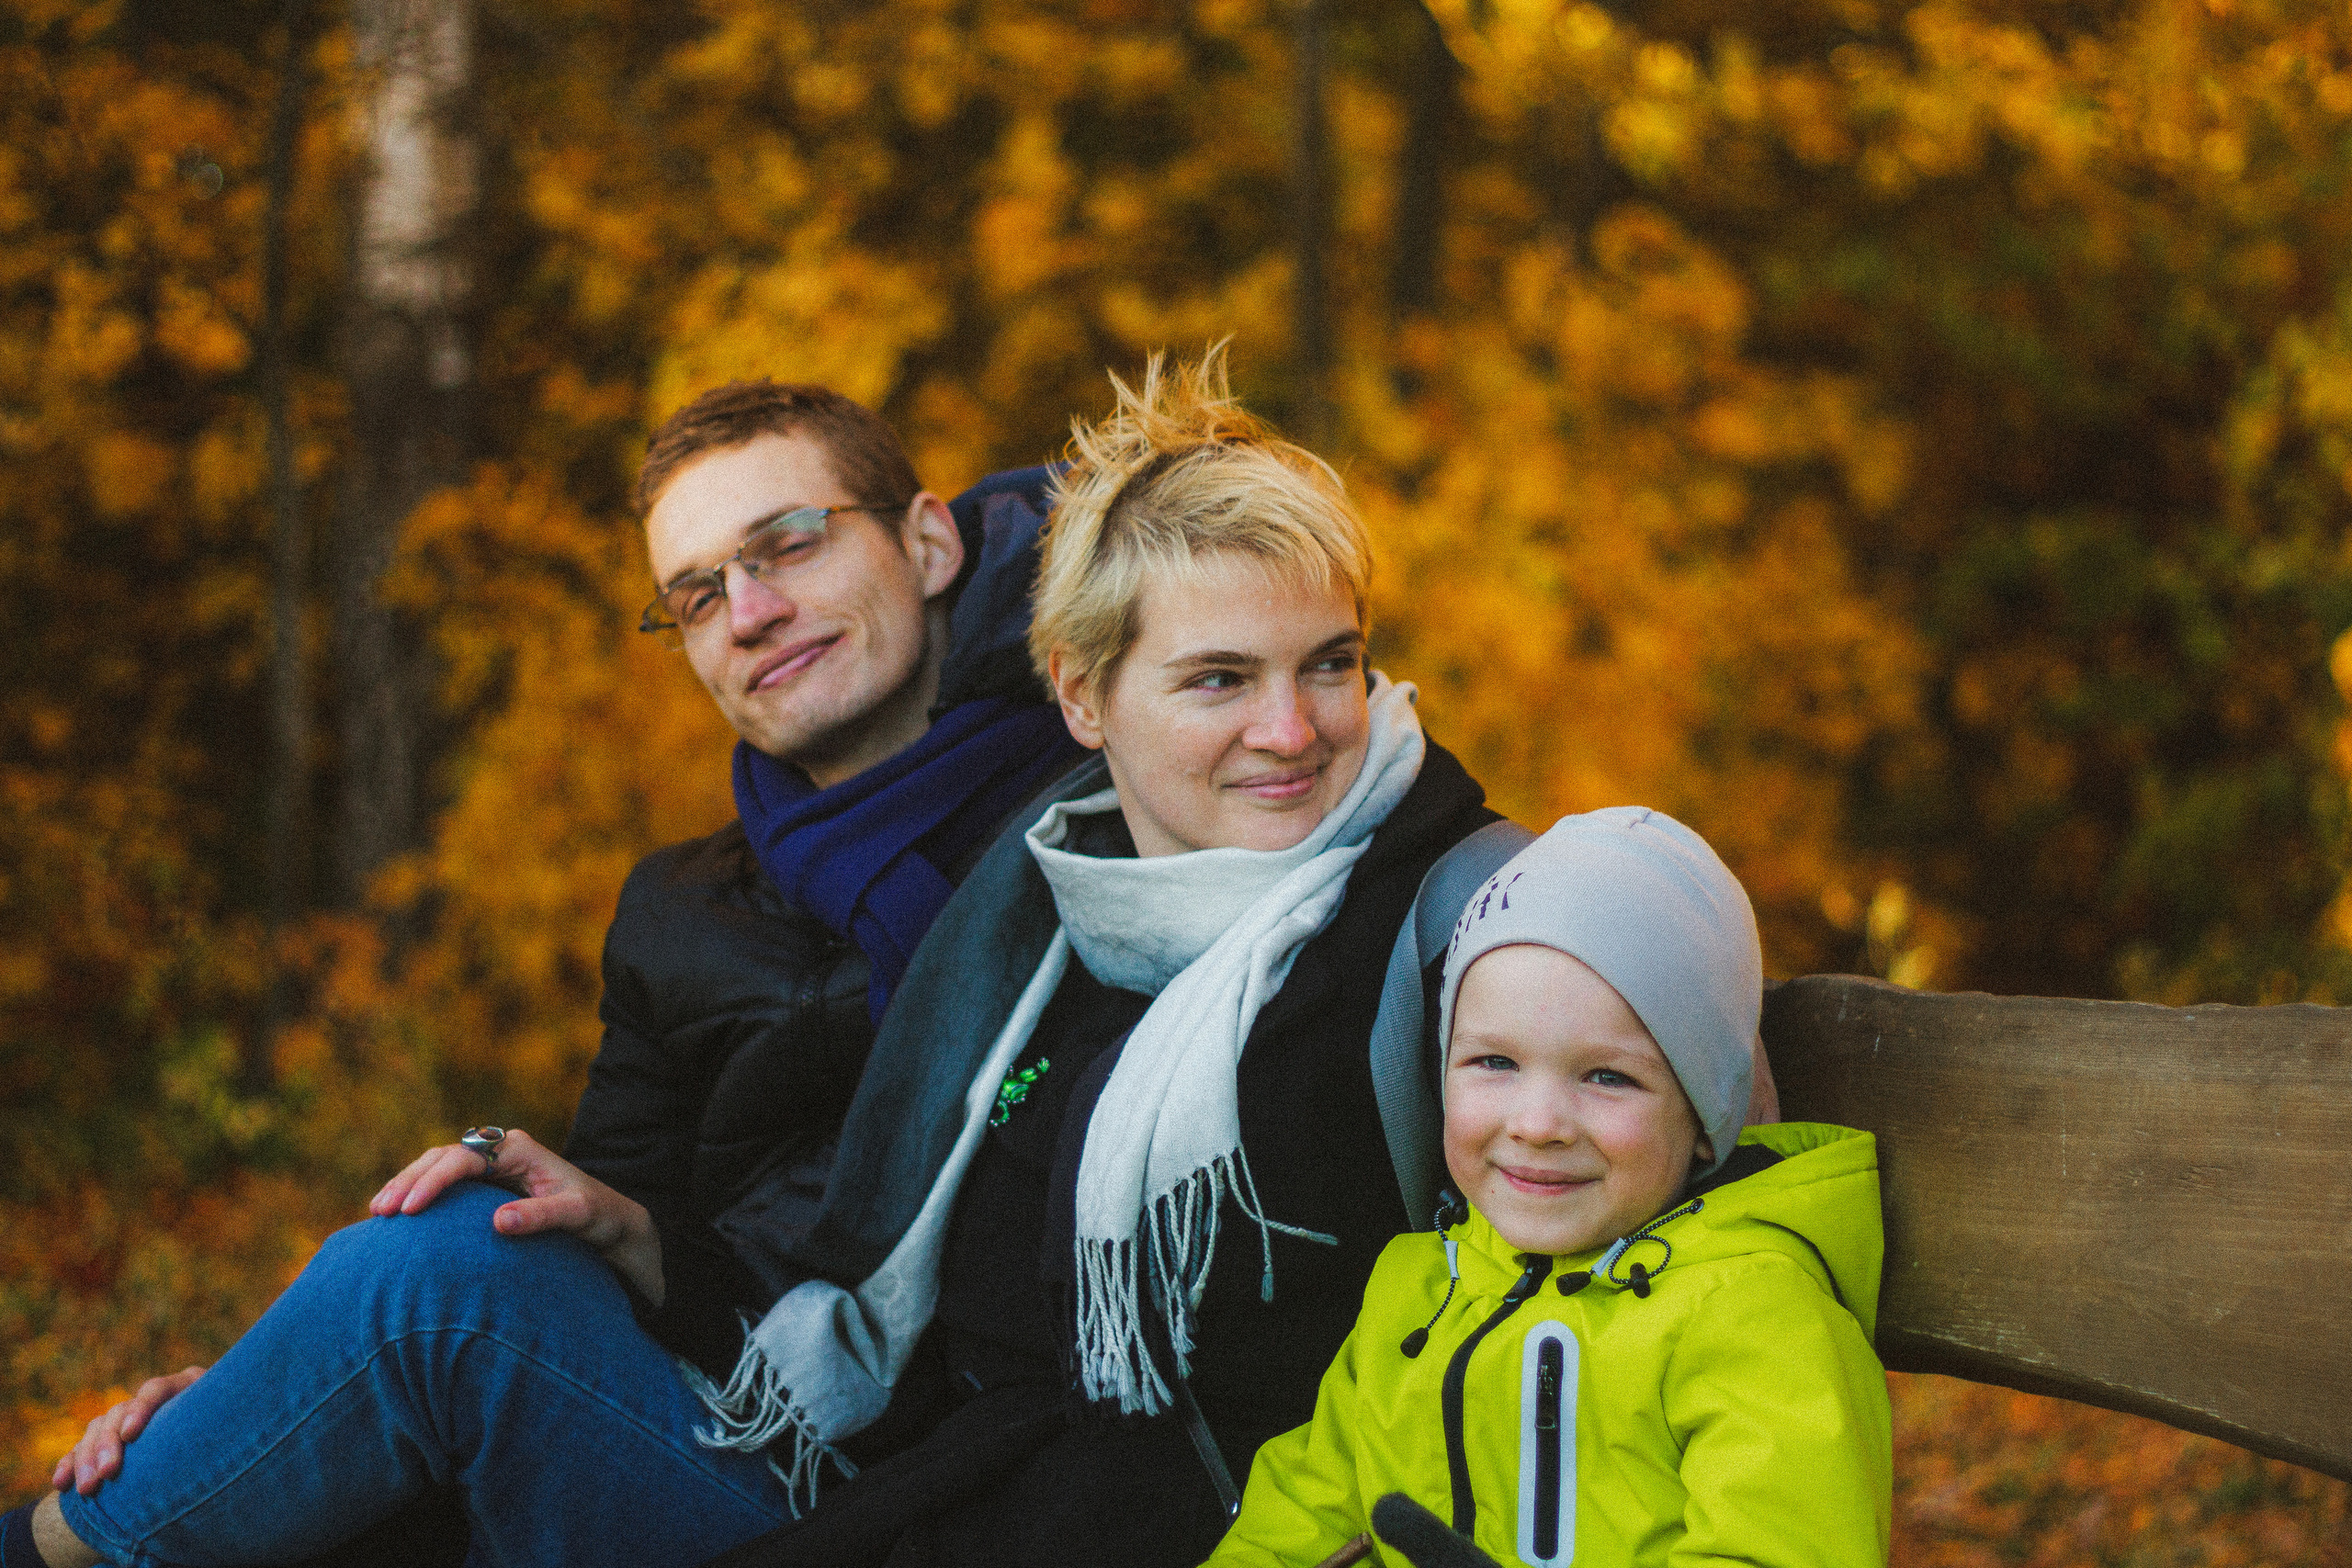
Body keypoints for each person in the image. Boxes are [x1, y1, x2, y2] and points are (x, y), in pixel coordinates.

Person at [5, 383, 1087, 1568]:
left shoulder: (1103, 793)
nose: (750, 612)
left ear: (929, 542)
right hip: (736, 1435)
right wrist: (266, 1410)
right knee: (451, 1261)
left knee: (433, 1285)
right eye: (696, 594)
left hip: (957, 1492)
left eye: (787, 543)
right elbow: (586, 1275)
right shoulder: (681, 911)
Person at [682, 347, 1500, 1568]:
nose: (1294, 729)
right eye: (1220, 677)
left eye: (1332, 662)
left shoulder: (1466, 919)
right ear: (1080, 694)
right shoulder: (1045, 912)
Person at [1203, 808, 1891, 1568]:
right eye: (1494, 1062)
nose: (1538, 1123)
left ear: (1704, 1114)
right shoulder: (1418, 1287)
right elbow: (1303, 1513)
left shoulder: (1753, 1317)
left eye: (1607, 1076)